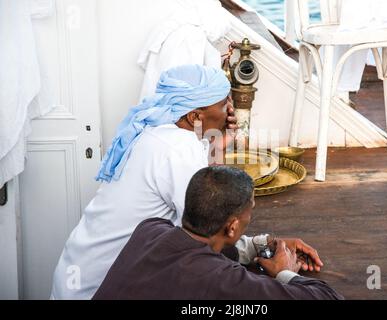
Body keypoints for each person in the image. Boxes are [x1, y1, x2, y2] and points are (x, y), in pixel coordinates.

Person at [51, 64, 322, 300]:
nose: (230, 110)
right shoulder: (177, 148)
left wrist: (217, 144)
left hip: (81, 276)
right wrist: (274, 261)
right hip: (99, 288)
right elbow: (210, 224)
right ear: (195, 116)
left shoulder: (157, 133)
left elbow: (208, 208)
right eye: (222, 103)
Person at [93, 166, 343, 300]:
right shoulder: (222, 280)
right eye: (250, 210)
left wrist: (260, 245)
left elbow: (198, 248)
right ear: (232, 226)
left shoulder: (150, 229)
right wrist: (284, 272)